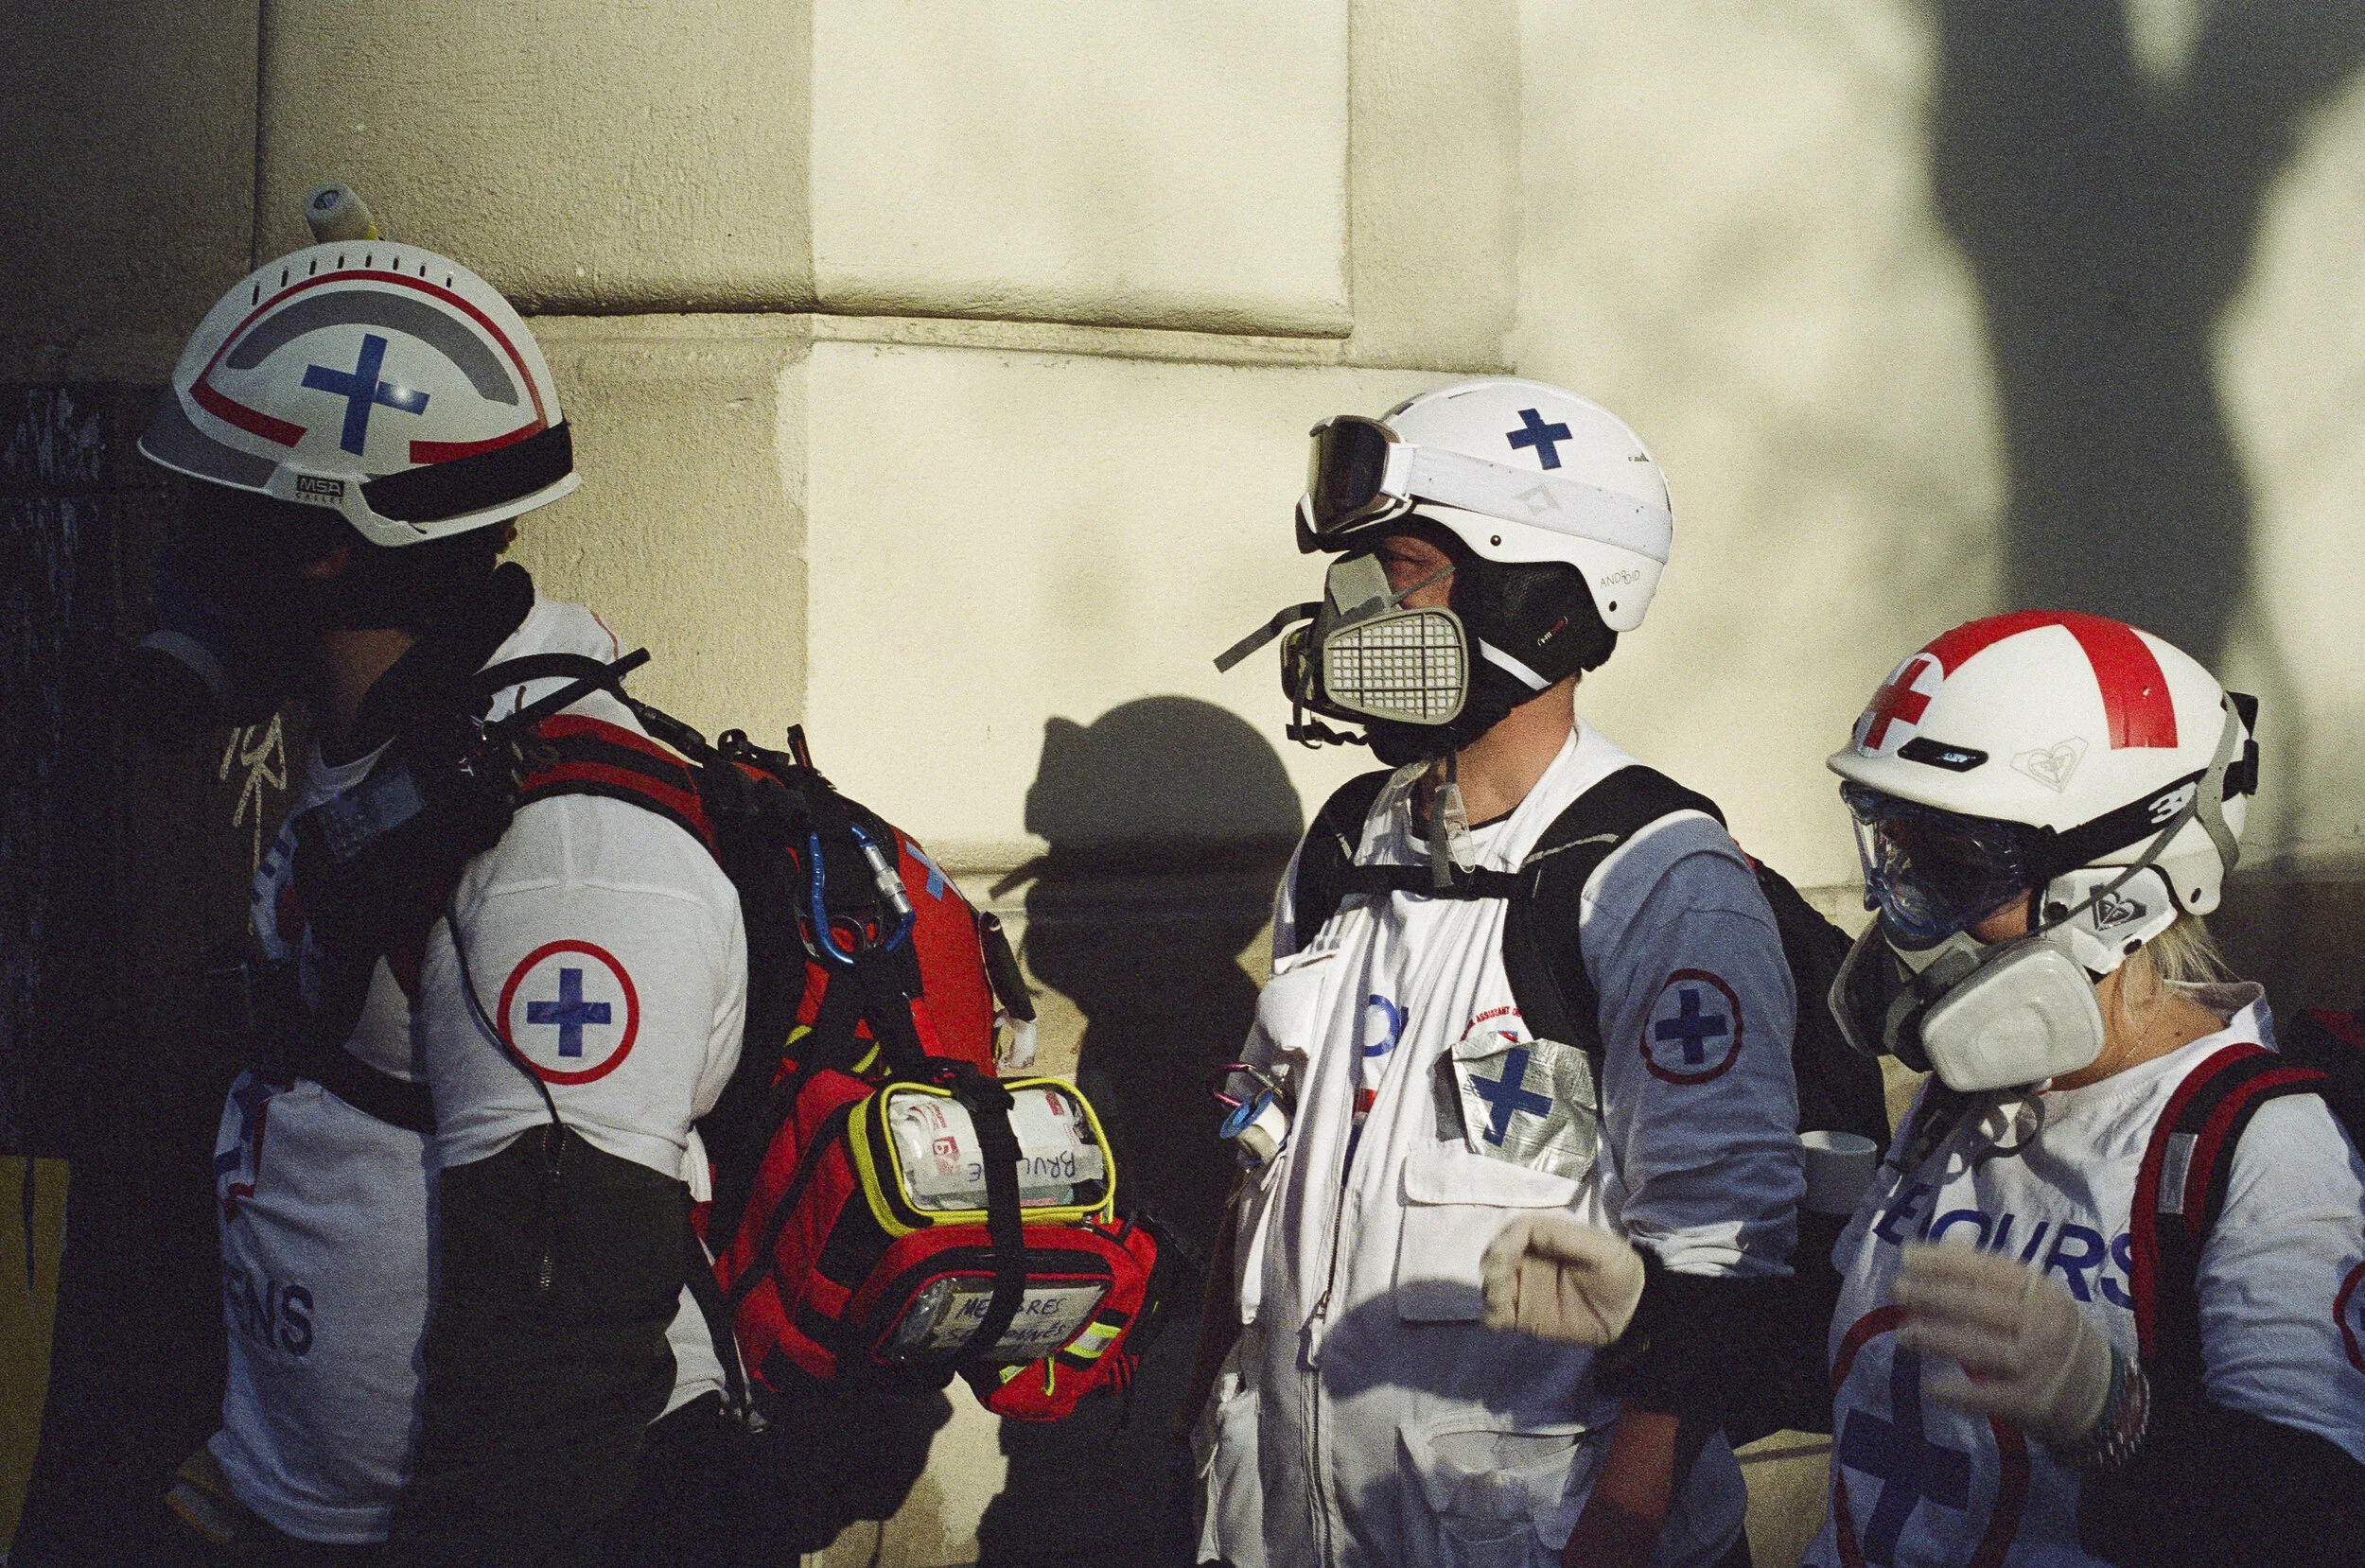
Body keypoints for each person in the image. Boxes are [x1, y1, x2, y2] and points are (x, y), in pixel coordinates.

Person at [134, 228, 746, 1564]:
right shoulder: (396, 757)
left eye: (216, 508)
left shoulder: (568, 849)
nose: (181, 555)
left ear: (319, 548)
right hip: (303, 1502)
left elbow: (561, 1353)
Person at [1200, 378, 1803, 1568]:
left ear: (1542, 602)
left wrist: (1620, 1537)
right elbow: (1263, 1186)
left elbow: (1716, 1263)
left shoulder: (1655, 879)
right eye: (1358, 575)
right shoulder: (1344, 848)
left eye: (1404, 572)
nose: (1357, 612)